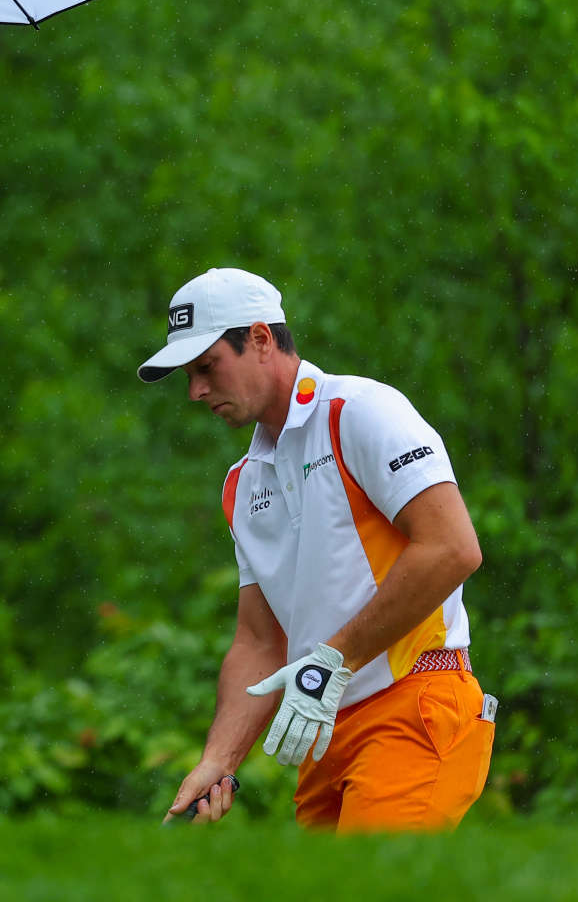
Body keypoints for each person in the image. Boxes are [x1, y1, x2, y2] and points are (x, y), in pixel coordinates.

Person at [138, 268, 493, 832]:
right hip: (321, 735)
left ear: (259, 339)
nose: (196, 390)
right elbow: (259, 641)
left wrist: (334, 660)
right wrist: (219, 760)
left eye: (207, 367)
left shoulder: (358, 411)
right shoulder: (241, 484)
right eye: (189, 375)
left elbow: (453, 549)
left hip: (414, 703)